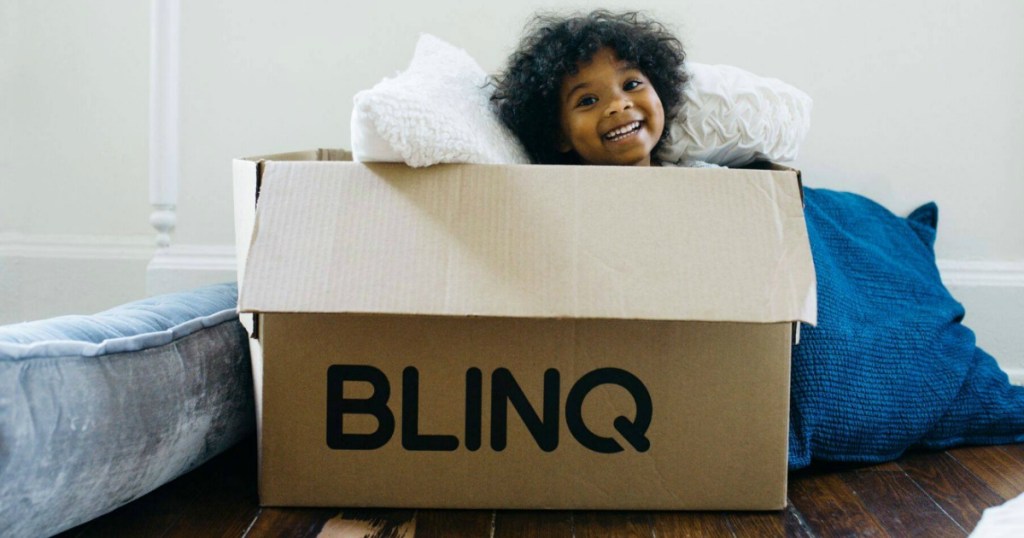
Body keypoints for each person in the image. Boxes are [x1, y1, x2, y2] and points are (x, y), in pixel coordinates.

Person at [491, 10, 687, 167]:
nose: (619, 105)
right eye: (588, 101)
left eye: (631, 85)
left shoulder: (704, 180)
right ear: (558, 135)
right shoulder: (560, 202)